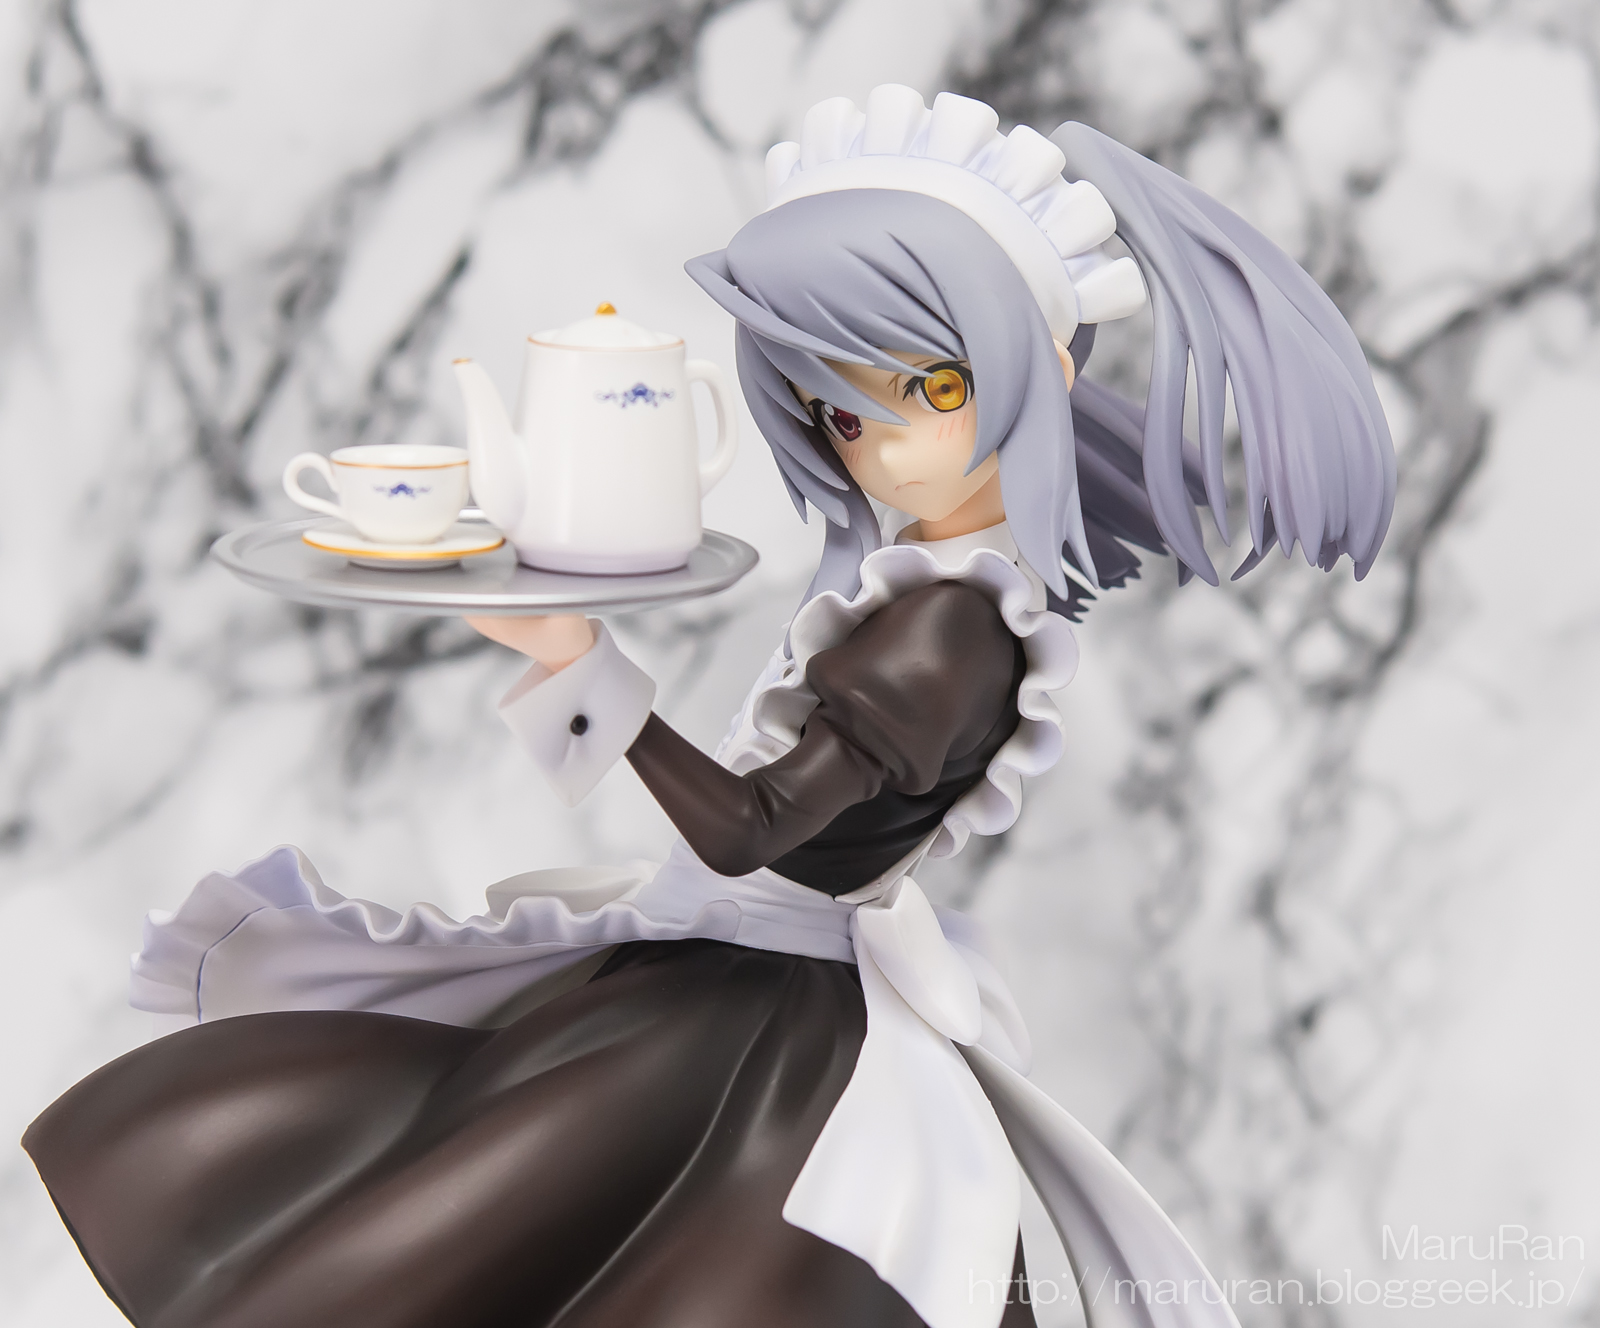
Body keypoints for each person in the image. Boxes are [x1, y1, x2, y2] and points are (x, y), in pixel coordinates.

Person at [23, 87, 1394, 1328]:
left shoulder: (946, 634)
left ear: (1042, 370)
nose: (884, 443)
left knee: (461, 1219)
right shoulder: (934, 591)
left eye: (929, 389)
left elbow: (750, 832)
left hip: (756, 1023)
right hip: (729, 983)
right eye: (844, 413)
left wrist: (589, 669)